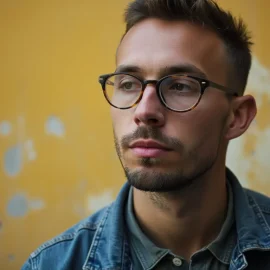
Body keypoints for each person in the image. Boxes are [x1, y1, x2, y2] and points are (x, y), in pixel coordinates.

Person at [22, 0, 270, 269]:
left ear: (237, 117)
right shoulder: (51, 264)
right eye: (128, 84)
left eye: (180, 86)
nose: (144, 110)